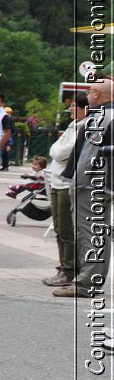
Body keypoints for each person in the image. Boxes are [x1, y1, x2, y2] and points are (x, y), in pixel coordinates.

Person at [61, 79, 112, 298]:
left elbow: (87, 156)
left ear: (97, 94)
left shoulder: (101, 118)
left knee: (89, 233)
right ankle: (91, 280)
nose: (87, 95)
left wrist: (75, 182)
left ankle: (86, 283)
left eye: (90, 91)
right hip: (103, 185)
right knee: (99, 233)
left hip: (90, 185)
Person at [43, 93, 90, 288]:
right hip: (56, 181)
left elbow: (63, 152)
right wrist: (58, 152)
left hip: (67, 183)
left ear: (84, 108)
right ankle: (64, 267)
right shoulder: (72, 126)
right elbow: (54, 150)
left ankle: (69, 270)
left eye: (73, 106)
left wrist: (58, 152)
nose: (70, 109)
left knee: (66, 230)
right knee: (59, 230)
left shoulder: (87, 127)